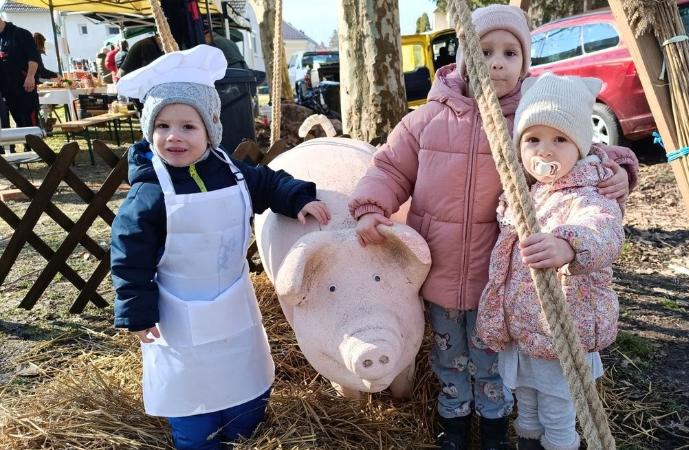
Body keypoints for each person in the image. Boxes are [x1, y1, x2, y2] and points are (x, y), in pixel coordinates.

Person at [348, 5, 636, 450]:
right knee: (447, 355)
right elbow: (389, 168)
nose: (497, 63)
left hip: (496, 276)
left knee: (495, 361)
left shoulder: (529, 118)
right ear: (464, 60)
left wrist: (621, 170)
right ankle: (454, 426)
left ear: (525, 64)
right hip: (438, 267)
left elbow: (582, 148)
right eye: (484, 52)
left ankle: (496, 429)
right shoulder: (428, 120)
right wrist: (371, 205)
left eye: (509, 53)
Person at [111, 45, 331, 450]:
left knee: (245, 393)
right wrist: (136, 311)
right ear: (149, 130)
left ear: (210, 129)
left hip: (234, 305)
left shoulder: (231, 171)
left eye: (187, 126)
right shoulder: (148, 192)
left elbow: (269, 183)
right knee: (193, 407)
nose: (174, 136)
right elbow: (129, 258)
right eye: (162, 126)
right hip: (174, 314)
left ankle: (241, 427)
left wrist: (299, 198)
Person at [477, 72, 637, 450]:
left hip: (562, 327)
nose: (545, 151)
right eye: (533, 140)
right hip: (526, 326)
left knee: (558, 410)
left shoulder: (589, 192)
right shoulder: (523, 194)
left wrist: (569, 246)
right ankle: (529, 443)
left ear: (580, 145)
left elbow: (604, 232)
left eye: (560, 139)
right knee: (527, 405)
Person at [0, 18, 40, 129]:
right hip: (8, 92)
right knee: (19, 124)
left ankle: (36, 146)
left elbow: (34, 58)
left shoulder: (21, 34)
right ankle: (26, 146)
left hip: (25, 89)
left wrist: (30, 76)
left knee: (30, 126)